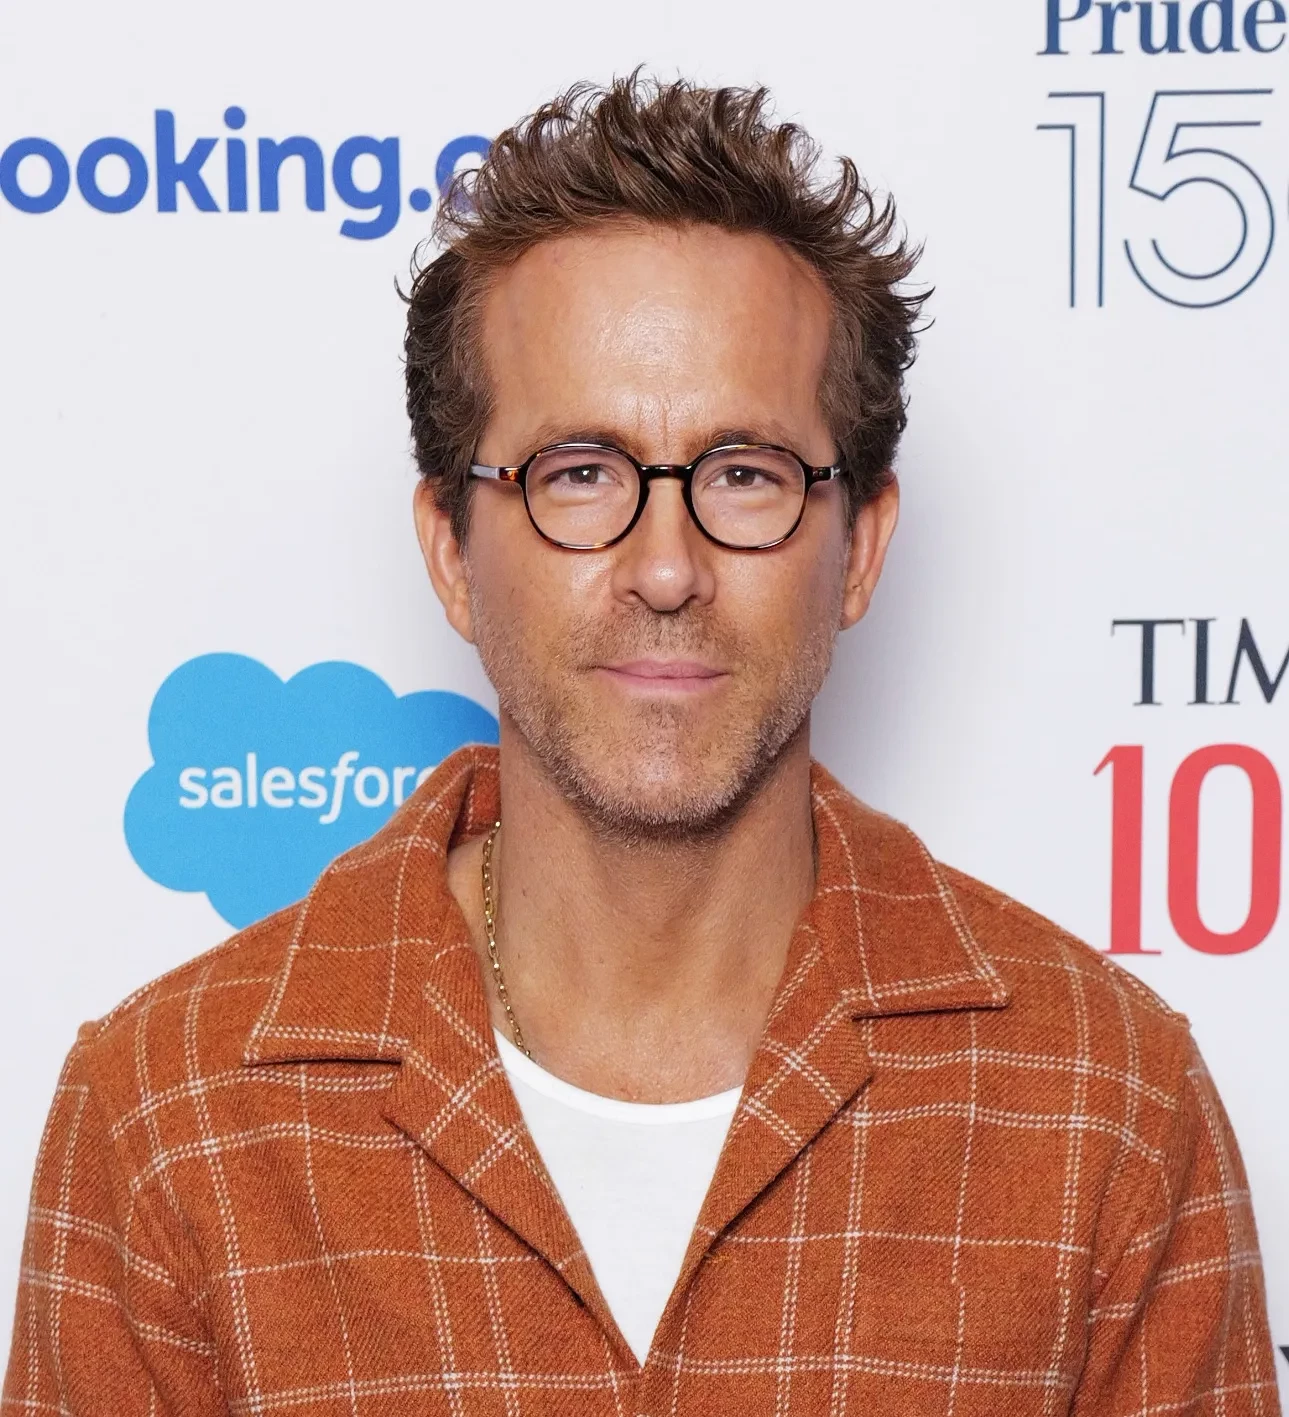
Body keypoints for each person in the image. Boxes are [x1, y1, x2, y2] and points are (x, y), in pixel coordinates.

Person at [4, 76, 1276, 1417]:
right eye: (579, 474)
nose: (666, 569)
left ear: (860, 547)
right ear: (451, 551)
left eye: (744, 474)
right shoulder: (168, 1113)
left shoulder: (1106, 1102)